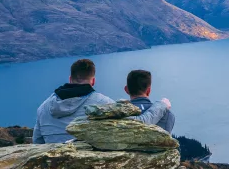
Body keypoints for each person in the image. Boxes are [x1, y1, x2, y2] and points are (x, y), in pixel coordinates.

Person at [33, 59, 171, 143]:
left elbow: (38, 142)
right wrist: (161, 105)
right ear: (93, 81)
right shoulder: (103, 103)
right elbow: (138, 124)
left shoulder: (44, 106)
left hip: (52, 168)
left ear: (70, 79)